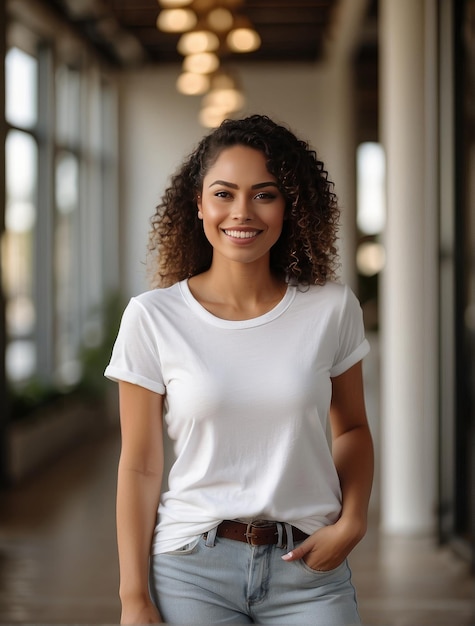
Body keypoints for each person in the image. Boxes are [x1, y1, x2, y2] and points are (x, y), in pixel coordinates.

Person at [105, 114, 374, 625]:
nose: (242, 212)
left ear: (290, 205)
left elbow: (354, 428)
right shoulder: (153, 316)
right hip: (191, 569)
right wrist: (133, 597)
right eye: (224, 193)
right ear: (199, 203)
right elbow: (139, 465)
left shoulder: (331, 308)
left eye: (264, 194)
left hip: (310, 568)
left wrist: (353, 520)